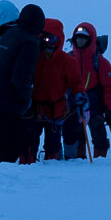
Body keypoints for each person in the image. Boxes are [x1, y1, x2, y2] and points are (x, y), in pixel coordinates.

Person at [0, 4, 44, 165]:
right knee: (11, 148)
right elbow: (21, 77)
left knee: (2, 143)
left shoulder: (11, 34)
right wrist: (26, 101)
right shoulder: (29, 42)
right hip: (7, 102)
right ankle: (2, 185)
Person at [68, 22, 111, 158]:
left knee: (99, 133)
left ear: (90, 40)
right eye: (78, 38)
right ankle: (79, 159)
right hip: (75, 103)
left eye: (83, 38)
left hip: (96, 106)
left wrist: (110, 109)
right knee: (77, 133)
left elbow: (109, 88)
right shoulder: (69, 59)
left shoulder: (101, 62)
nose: (80, 41)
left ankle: (100, 159)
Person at [31, 19, 75, 161]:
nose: (47, 42)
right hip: (35, 108)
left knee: (53, 143)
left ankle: (53, 166)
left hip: (56, 110)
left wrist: (80, 95)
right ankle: (29, 163)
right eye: (44, 37)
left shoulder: (66, 61)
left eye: (51, 38)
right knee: (31, 139)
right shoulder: (34, 57)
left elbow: (76, 82)